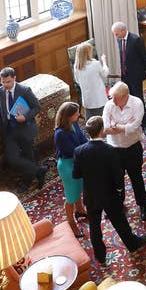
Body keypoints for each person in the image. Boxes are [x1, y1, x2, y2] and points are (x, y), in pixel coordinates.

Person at [72, 116, 146, 266]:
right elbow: (118, 175)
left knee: (94, 227)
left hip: (91, 195)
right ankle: (132, 244)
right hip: (109, 195)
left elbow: (76, 174)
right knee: (120, 221)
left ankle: (100, 256)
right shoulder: (110, 150)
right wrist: (120, 190)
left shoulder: (79, 151)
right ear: (102, 131)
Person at [0, 67, 47, 191]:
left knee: (29, 156)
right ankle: (39, 170)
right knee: (12, 159)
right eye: (3, 82)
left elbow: (36, 107)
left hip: (25, 129)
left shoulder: (24, 90)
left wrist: (25, 117)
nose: (5, 85)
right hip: (10, 131)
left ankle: (26, 182)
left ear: (14, 78)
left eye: (8, 82)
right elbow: (0, 110)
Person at [102, 81, 146, 221]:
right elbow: (105, 129)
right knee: (116, 180)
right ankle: (118, 205)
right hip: (114, 150)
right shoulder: (109, 105)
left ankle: (143, 205)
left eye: (116, 98)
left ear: (125, 96)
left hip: (132, 148)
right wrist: (124, 126)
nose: (113, 101)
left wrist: (116, 126)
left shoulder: (137, 104)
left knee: (136, 178)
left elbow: (135, 127)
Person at [54, 101, 87, 237]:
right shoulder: (60, 133)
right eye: (76, 113)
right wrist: (86, 151)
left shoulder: (74, 124)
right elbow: (70, 152)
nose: (79, 114)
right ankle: (71, 222)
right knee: (71, 195)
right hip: (68, 165)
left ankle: (80, 210)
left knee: (79, 187)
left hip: (78, 160)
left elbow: (82, 138)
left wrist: (90, 145)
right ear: (68, 116)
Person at [112, 21, 146, 136]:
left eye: (116, 33)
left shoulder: (135, 40)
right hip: (125, 76)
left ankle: (145, 125)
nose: (115, 36)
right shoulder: (119, 40)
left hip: (135, 76)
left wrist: (142, 72)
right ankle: (131, 121)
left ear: (123, 31)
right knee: (126, 99)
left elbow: (144, 57)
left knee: (139, 99)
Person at [73, 42, 108, 120]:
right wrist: (104, 62)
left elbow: (77, 81)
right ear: (87, 53)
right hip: (99, 98)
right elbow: (105, 74)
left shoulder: (76, 66)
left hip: (87, 98)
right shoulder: (95, 64)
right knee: (102, 118)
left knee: (90, 119)